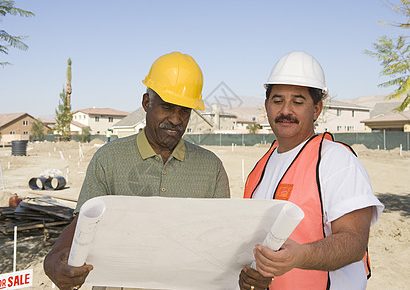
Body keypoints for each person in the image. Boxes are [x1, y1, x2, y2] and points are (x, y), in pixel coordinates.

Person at [44, 51, 231, 290]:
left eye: (184, 110)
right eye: (167, 106)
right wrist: (53, 259)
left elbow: (221, 238)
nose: (175, 119)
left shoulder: (210, 168)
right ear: (146, 102)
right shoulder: (109, 159)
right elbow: (84, 223)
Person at [239, 51, 384, 290]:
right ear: (266, 106)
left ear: (316, 109)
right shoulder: (259, 170)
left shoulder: (336, 160)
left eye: (297, 102)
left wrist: (300, 256)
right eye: (277, 100)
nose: (286, 110)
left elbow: (355, 242)